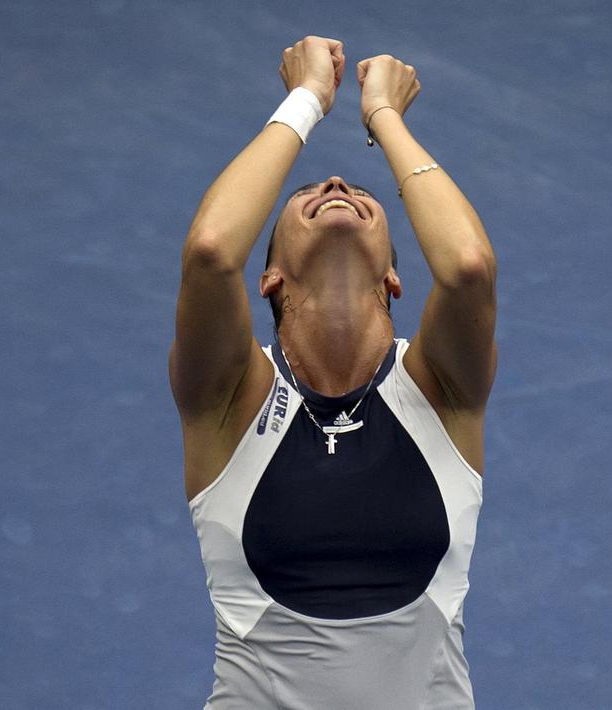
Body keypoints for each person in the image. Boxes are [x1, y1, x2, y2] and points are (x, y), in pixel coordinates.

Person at [170, 35, 497, 709]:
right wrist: (308, 100)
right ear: (269, 278)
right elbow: (208, 250)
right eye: (309, 190)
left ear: (393, 278)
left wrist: (385, 116)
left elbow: (466, 265)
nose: (336, 183)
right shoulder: (228, 396)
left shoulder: (440, 388)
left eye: (354, 187)